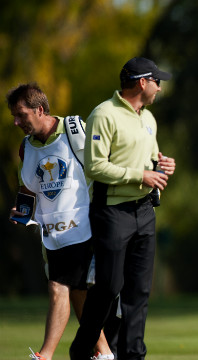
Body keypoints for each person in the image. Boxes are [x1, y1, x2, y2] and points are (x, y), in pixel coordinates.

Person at [69, 57, 176, 360]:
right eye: (158, 81)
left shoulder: (148, 118)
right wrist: (140, 175)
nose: (159, 87)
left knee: (139, 292)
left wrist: (162, 165)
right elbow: (95, 166)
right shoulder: (104, 114)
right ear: (143, 82)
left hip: (145, 212)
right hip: (112, 213)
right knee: (108, 287)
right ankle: (81, 349)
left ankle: (132, 355)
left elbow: (149, 159)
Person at [6, 83, 114, 360]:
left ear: (39, 110)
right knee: (76, 292)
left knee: (58, 287)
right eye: (14, 116)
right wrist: (21, 212)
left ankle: (45, 355)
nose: (16, 122)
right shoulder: (26, 147)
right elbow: (28, 189)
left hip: (83, 227)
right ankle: (104, 352)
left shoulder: (75, 130)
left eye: (21, 115)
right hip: (52, 234)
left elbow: (104, 165)